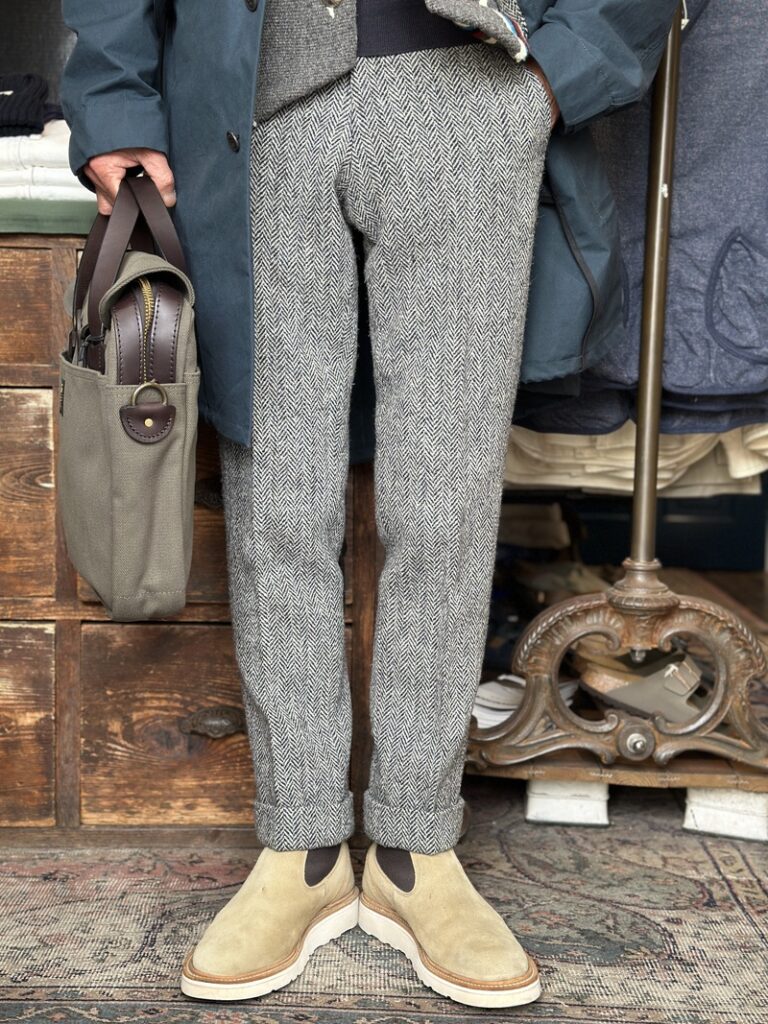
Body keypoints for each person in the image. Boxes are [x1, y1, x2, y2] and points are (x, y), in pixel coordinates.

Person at [60, 0, 680, 1009]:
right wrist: (116, 98)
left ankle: (413, 848)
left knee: (446, 502)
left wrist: (556, 77)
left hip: (466, 86)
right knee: (278, 497)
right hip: (252, 97)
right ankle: (301, 846)